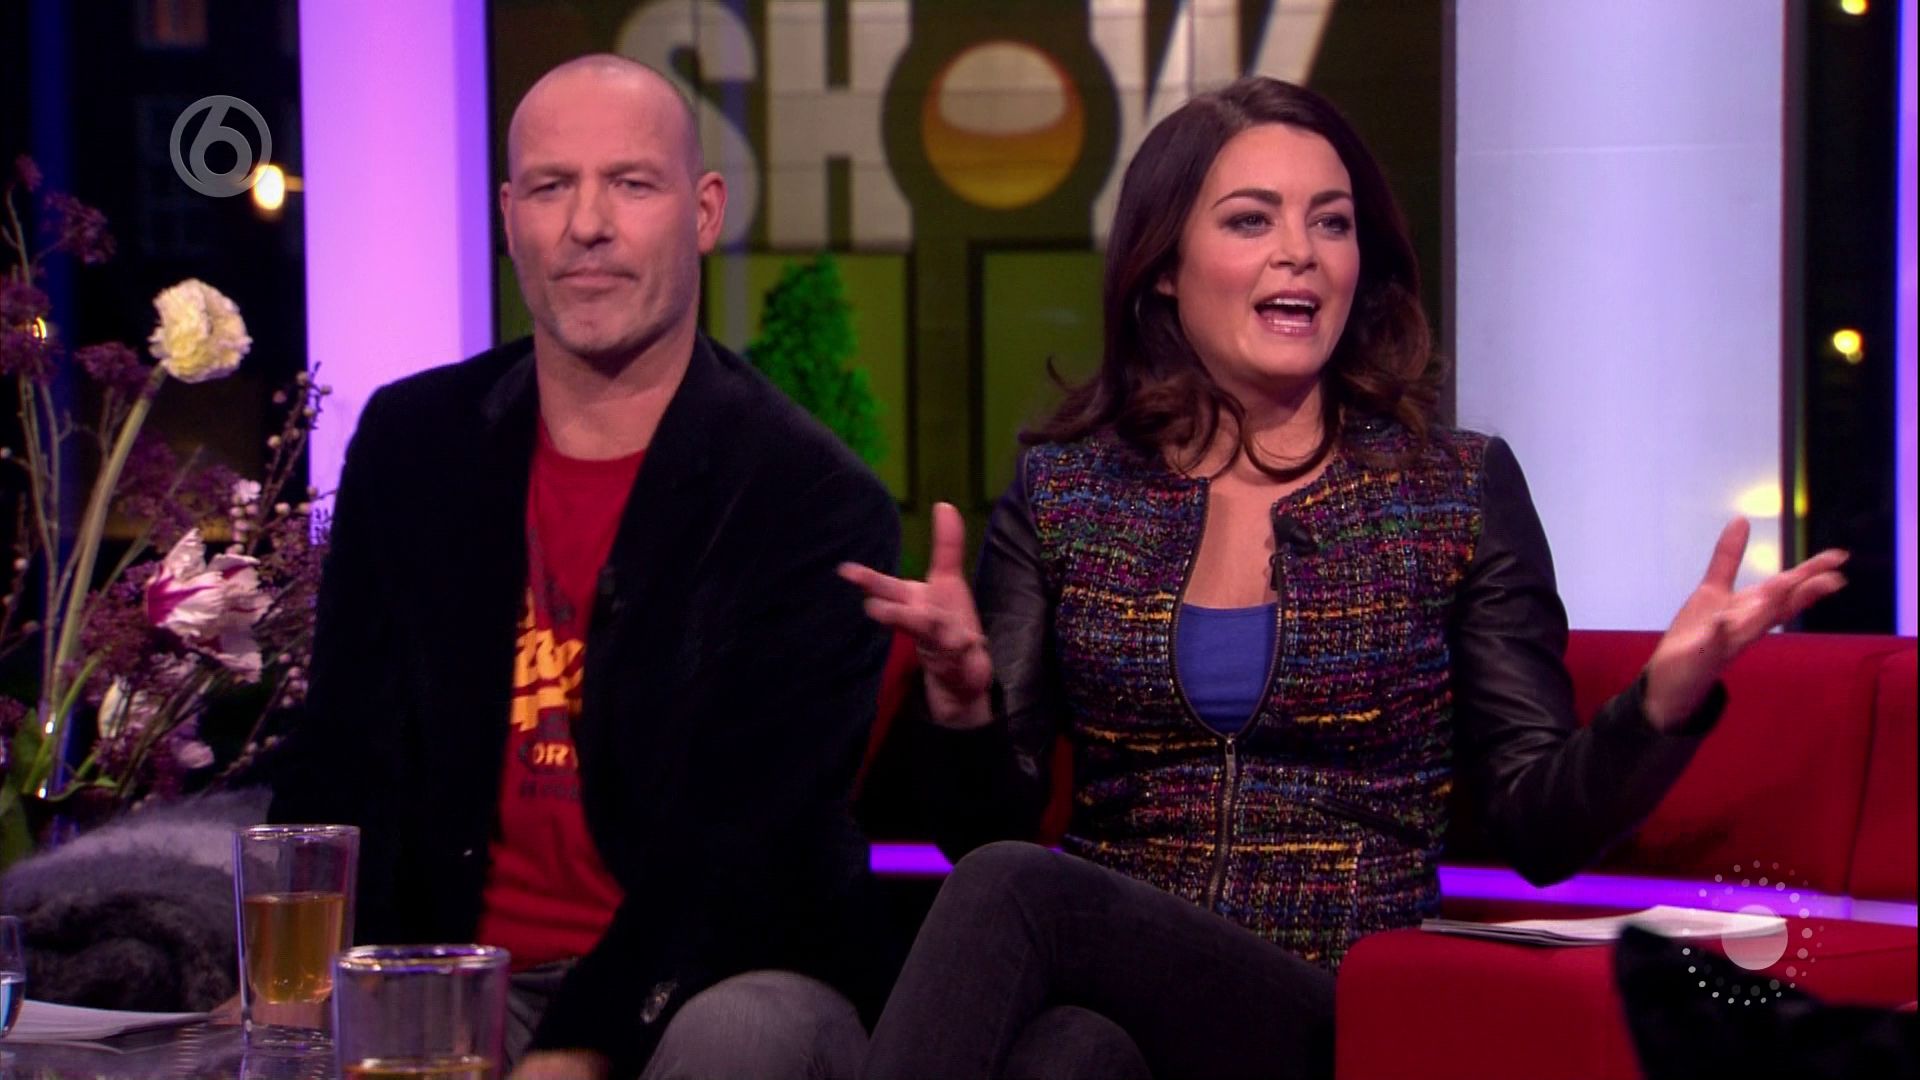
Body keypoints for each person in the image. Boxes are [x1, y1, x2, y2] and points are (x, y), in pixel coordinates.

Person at [839, 76, 1848, 1080]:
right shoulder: (1070, 494)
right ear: (1164, 267)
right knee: (1068, 1056)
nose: (1302, 252)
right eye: (1252, 220)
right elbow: (983, 827)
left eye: (1332, 222)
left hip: (1333, 1002)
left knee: (1017, 892)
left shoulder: (1450, 490)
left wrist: (1660, 706)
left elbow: (1536, 825)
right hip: (1122, 996)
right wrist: (960, 699)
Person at [270, 55, 899, 1080]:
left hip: (698, 984)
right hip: (451, 980)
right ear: (510, 216)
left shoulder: (809, 500)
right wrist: (301, 998)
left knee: (742, 1037)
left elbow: (742, 851)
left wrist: (580, 1049)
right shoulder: (413, 443)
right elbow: (338, 756)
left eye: (631, 184)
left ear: (704, 212)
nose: (587, 225)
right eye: (552, 187)